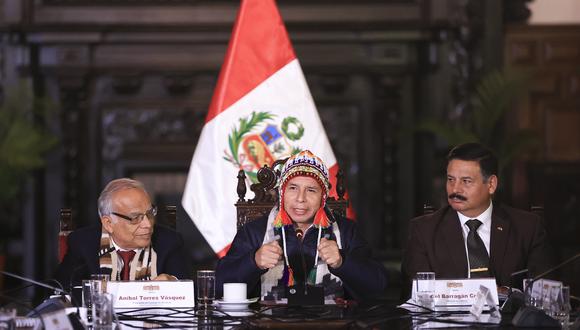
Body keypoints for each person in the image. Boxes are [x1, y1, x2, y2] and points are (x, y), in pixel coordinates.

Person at [216, 150, 387, 302]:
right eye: (293, 188)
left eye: (311, 190)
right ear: (282, 193)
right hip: (268, 324)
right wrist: (253, 262)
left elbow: (378, 287)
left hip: (332, 324)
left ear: (323, 197)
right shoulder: (255, 232)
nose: (300, 198)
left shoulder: (345, 230)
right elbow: (217, 286)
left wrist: (343, 262)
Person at [401, 142, 553, 299]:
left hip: (510, 321)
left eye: (466, 181)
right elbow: (413, 296)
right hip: (446, 322)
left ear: (491, 184)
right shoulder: (424, 230)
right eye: (451, 179)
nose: (455, 189)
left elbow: (546, 293)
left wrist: (506, 293)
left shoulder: (527, 228)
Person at [55, 178, 190, 289]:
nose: (148, 224)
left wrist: (173, 282)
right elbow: (60, 291)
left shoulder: (170, 242)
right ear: (108, 223)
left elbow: (190, 291)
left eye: (150, 213)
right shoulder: (82, 243)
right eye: (135, 218)